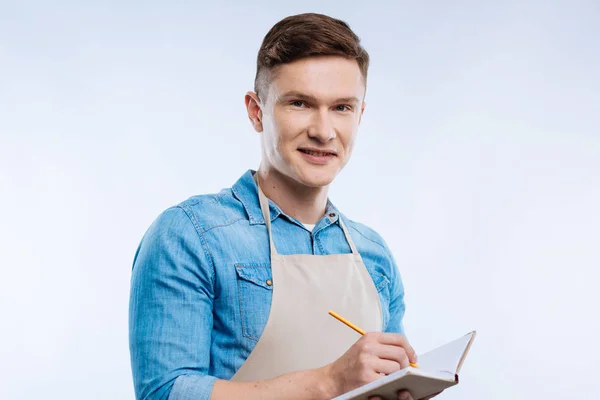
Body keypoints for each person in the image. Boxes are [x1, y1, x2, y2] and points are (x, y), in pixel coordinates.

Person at [129, 12, 437, 400]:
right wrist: (328, 382)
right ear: (256, 111)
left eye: (342, 107)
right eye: (301, 104)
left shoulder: (374, 256)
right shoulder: (190, 236)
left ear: (360, 115)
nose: (324, 131)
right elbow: (164, 392)